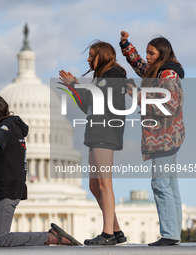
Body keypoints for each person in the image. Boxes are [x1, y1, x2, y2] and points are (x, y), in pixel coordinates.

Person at [0, 93, 81, 247]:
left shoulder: (6, 126)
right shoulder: (13, 126)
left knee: (0, 239)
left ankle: (51, 237)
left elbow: (1, 135)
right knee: (0, 238)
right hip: (10, 186)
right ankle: (50, 237)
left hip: (6, 187)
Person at [120, 31, 185, 246]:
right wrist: (126, 46)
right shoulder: (158, 71)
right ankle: (173, 233)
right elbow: (140, 66)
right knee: (170, 185)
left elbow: (167, 105)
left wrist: (137, 95)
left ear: (162, 54)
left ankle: (169, 234)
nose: (147, 57)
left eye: (151, 53)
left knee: (160, 185)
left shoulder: (168, 75)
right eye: (147, 52)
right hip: (167, 137)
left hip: (164, 137)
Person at [59, 41, 127, 246]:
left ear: (103, 55)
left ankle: (107, 234)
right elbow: (87, 106)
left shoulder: (113, 75)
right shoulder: (103, 79)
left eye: (91, 55)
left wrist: (74, 84)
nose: (88, 59)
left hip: (106, 132)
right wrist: (73, 89)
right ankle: (116, 230)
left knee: (104, 183)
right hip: (97, 133)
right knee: (94, 185)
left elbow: (94, 97)